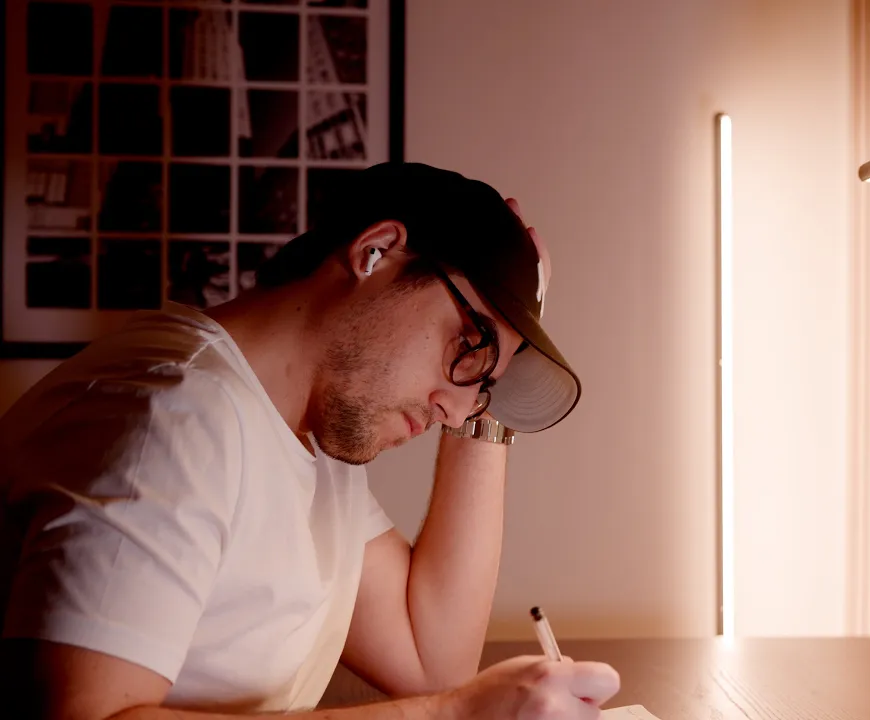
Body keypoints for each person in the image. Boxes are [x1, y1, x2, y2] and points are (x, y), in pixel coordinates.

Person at [0, 163, 620, 719]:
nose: (455, 408)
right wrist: (446, 717)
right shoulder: (172, 414)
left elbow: (431, 656)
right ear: (376, 252)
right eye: (471, 342)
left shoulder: (307, 437)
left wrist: (491, 380)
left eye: (485, 383)